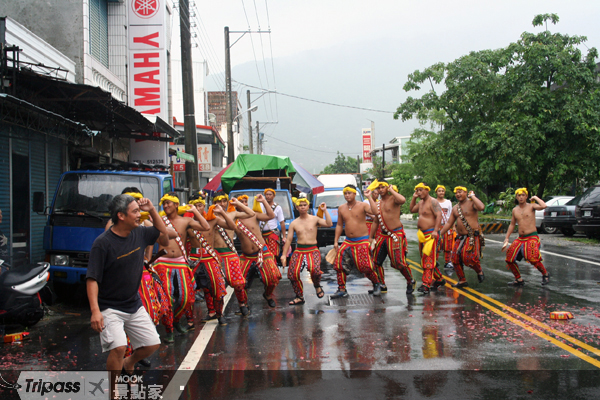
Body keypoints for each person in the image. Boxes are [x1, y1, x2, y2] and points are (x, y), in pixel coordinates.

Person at [86, 194, 169, 384]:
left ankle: (128, 363)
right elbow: (92, 279)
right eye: (135, 211)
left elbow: (162, 233)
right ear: (121, 216)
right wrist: (95, 311)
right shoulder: (102, 243)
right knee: (118, 347)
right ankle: (114, 391)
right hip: (109, 306)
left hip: (133, 303)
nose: (139, 215)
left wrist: (152, 210)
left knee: (152, 343)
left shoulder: (140, 232)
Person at [153, 193, 210, 342]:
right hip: (162, 262)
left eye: (168, 203)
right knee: (167, 298)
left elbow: (205, 226)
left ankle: (176, 320)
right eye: (163, 203)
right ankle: (169, 330)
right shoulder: (159, 220)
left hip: (180, 262)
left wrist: (195, 210)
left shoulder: (186, 220)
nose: (165, 206)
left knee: (187, 299)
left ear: (176, 204)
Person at [366, 180, 416, 295]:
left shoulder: (394, 199)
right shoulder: (378, 203)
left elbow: (403, 200)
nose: (380, 189)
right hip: (382, 236)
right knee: (376, 261)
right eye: (379, 188)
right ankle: (381, 285)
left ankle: (410, 280)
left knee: (399, 262)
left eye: (383, 187)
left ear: (387, 188)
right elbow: (375, 221)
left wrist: (392, 190)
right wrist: (370, 237)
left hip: (395, 234)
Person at [331, 184, 382, 298]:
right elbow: (339, 225)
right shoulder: (341, 208)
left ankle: (377, 284)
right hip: (348, 241)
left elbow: (375, 212)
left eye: (349, 193)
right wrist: (335, 241)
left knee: (365, 266)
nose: (347, 195)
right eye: (345, 193)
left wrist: (369, 197)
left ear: (355, 194)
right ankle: (342, 289)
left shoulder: (363, 205)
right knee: (339, 265)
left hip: (362, 240)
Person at [212, 194, 257, 316]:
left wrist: (237, 203)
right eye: (218, 201)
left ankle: (242, 303)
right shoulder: (209, 217)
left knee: (238, 282)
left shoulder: (232, 214)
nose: (221, 204)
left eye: (224, 201)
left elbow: (251, 213)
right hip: (215, 254)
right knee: (216, 285)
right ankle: (215, 312)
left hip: (230, 253)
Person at [281, 198, 332, 305]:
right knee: (292, 274)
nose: (303, 207)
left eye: (305, 205)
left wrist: (325, 210)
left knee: (315, 270)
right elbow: (289, 239)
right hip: (299, 250)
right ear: (297, 207)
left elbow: (329, 224)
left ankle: (317, 286)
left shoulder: (315, 219)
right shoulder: (294, 223)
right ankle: (299, 296)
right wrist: (284, 255)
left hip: (312, 249)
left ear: (308, 207)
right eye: (301, 205)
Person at [234, 194, 281, 307]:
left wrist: (264, 201)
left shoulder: (254, 215)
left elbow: (271, 215)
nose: (244, 204)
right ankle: (242, 303)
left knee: (273, 278)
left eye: (246, 201)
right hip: (246, 256)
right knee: (238, 282)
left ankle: (268, 295)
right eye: (241, 202)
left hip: (262, 251)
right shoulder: (233, 219)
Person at [439, 187, 486, 288]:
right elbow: (449, 223)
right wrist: (440, 234)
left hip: (471, 236)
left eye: (460, 192)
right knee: (454, 258)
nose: (458, 194)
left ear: (466, 192)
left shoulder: (472, 203)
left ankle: (479, 271)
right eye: (456, 193)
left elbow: (482, 207)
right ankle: (462, 280)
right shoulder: (456, 208)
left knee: (469, 258)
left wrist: (473, 196)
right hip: (460, 237)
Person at [502, 188, 549, 286]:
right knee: (509, 258)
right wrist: (506, 238)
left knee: (532, 258)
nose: (521, 197)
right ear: (516, 197)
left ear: (526, 196)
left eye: (523, 195)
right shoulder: (515, 209)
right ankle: (518, 279)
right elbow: (512, 224)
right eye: (519, 195)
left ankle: (545, 274)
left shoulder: (532, 206)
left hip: (532, 237)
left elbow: (544, 205)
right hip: (521, 238)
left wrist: (535, 197)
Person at [409, 182, 445, 294]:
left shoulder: (433, 201)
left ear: (427, 190)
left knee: (428, 260)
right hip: (422, 235)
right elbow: (412, 210)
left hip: (431, 234)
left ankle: (426, 284)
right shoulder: (420, 203)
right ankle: (439, 279)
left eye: (421, 190)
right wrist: (413, 198)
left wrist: (435, 230)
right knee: (424, 259)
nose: (418, 193)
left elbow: (439, 215)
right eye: (417, 190)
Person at [261, 188, 287, 263]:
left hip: (272, 234)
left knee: (272, 254)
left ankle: (273, 271)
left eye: (270, 194)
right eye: (267, 194)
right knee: (262, 254)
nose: (268, 196)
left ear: (274, 196)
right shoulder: (260, 205)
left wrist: (284, 237)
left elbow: (282, 222)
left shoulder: (278, 207)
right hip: (261, 235)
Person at [434, 185, 455, 269]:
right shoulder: (433, 202)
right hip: (437, 227)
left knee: (447, 245)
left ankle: (447, 262)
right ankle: (435, 260)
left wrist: (453, 226)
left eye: (442, 191)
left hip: (446, 226)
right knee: (437, 245)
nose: (441, 192)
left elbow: (451, 214)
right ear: (436, 192)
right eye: (439, 191)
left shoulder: (448, 202)